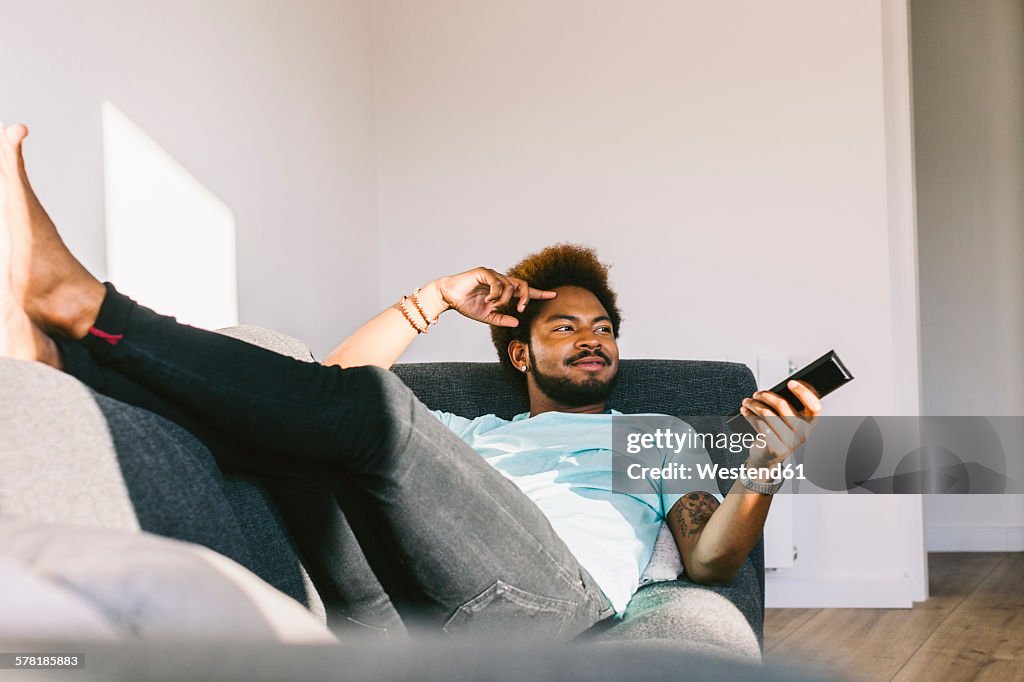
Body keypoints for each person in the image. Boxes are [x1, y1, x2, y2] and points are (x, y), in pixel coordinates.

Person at [0, 121, 821, 640]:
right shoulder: (472, 439)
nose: (592, 340)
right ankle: (68, 367)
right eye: (563, 327)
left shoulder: (645, 438)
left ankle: (86, 312)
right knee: (297, 437)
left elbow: (710, 564)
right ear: (519, 355)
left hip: (546, 607)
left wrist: (766, 469)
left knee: (376, 414)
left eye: (603, 328)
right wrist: (431, 300)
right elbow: (323, 387)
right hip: (398, 610)